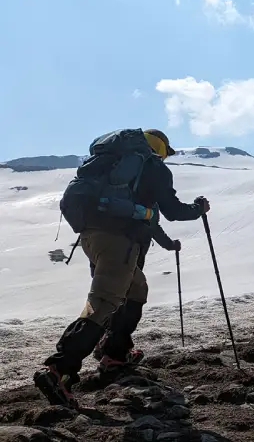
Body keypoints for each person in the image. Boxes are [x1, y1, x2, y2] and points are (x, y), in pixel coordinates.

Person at [36, 129, 210, 407]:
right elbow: (173, 210)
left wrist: (167, 244)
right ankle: (59, 369)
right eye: (166, 152)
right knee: (104, 303)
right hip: (119, 243)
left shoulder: (114, 170)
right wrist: (198, 209)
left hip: (92, 237)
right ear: (159, 149)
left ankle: (115, 353)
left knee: (136, 290)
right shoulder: (153, 168)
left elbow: (148, 218)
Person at [90, 216, 181, 363]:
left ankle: (102, 344)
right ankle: (115, 354)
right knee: (129, 299)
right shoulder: (137, 197)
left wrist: (169, 244)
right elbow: (156, 221)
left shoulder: (113, 197)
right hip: (127, 254)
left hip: (101, 249)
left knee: (107, 298)